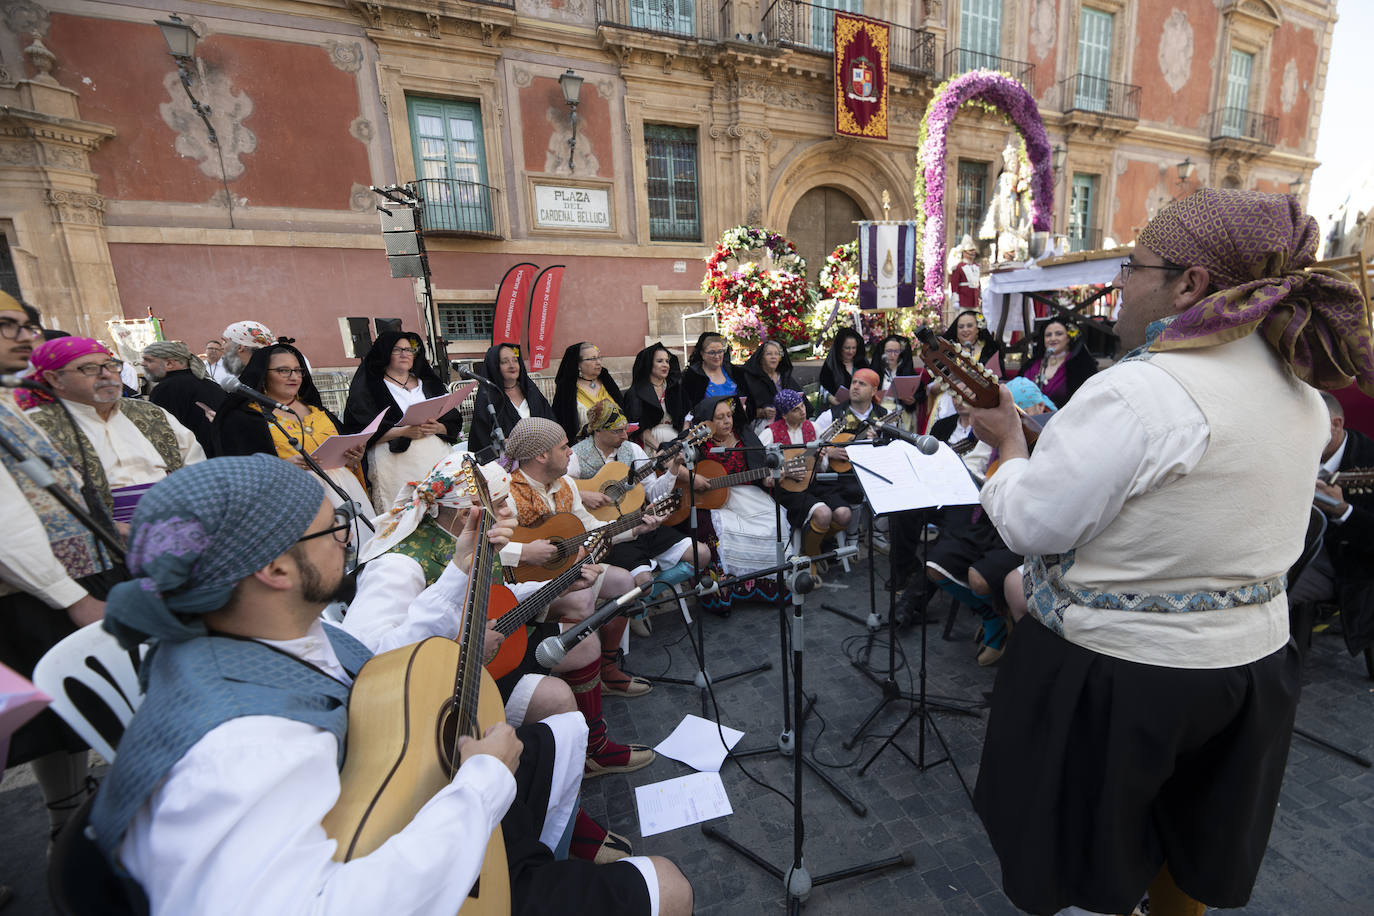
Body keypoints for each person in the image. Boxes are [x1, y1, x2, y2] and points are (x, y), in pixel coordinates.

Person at [969, 189, 1374, 916]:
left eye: (1134, 265)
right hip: (1250, 673)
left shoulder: (1140, 393)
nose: (1119, 282)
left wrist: (1006, 446)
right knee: (1188, 853)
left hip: (1124, 681)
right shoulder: (1302, 396)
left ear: (1188, 284)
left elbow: (1032, 523)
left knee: (1091, 869)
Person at [84, 455, 692, 916]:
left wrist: (461, 569)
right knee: (667, 885)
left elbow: (378, 667)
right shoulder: (238, 748)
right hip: (407, 868)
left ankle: (544, 850)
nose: (348, 540)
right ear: (272, 570)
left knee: (558, 732)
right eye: (330, 533)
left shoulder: (271, 634)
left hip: (398, 805)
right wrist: (481, 783)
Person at [348, 451, 636, 865]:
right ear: (461, 512)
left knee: (580, 644)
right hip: (434, 704)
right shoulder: (397, 567)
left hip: (477, 670)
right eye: (499, 503)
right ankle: (550, 821)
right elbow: (368, 661)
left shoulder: (471, 540)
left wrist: (564, 581)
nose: (508, 509)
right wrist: (461, 646)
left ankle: (576, 777)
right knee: (556, 698)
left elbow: (497, 598)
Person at [0, 296, 121, 890]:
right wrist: (68, 595)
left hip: (73, 575)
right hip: (30, 591)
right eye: (7, 327)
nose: (23, 337)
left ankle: (66, 824)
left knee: (58, 719)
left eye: (26, 326)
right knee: (20, 720)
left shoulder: (6, 402)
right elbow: (5, 519)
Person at [498, 417, 657, 776]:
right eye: (563, 447)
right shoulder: (506, 492)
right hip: (524, 589)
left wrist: (634, 526)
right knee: (583, 603)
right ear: (540, 456)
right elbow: (489, 551)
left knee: (627, 584)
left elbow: (591, 531)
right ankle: (587, 712)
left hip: (569, 572)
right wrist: (524, 554)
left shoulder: (565, 483)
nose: (571, 452)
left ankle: (608, 670)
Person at [23, 337, 205, 516]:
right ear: (55, 379)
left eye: (110, 365)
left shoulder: (150, 413)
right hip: (97, 535)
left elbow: (196, 468)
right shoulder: (33, 427)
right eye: (90, 368)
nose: (106, 374)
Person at [212, 342, 370, 532]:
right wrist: (281, 466)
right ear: (263, 375)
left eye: (297, 370)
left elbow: (345, 451)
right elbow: (237, 471)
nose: (294, 377)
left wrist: (354, 457)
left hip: (344, 491)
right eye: (283, 371)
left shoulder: (319, 411)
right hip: (291, 501)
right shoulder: (246, 418)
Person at [677, 395, 787, 614]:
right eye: (720, 418)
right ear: (707, 421)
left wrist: (770, 478)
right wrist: (691, 478)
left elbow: (762, 471)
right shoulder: (698, 438)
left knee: (775, 522)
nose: (728, 421)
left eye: (729, 415)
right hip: (710, 502)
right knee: (718, 530)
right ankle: (722, 594)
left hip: (747, 496)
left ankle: (766, 587)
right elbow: (666, 458)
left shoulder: (745, 436)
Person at [1289, 391, 1374, 657]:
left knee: (1274, 592)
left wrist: (1344, 511)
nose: (1301, 438)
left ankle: (1276, 671)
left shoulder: (1368, 458)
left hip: (1347, 567)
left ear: (1336, 425)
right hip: (1291, 547)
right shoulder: (1293, 451)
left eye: (1310, 430)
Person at [343, 331, 462, 514]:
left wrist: (441, 427)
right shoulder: (370, 388)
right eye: (397, 350)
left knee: (444, 511)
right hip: (395, 464)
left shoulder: (429, 383)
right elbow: (360, 430)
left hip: (436, 457)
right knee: (404, 514)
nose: (405, 354)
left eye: (409, 349)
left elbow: (451, 418)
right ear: (385, 353)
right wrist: (402, 432)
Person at [757, 388, 852, 559]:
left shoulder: (813, 427)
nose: (803, 411)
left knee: (844, 514)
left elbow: (821, 468)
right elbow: (763, 473)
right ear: (784, 415)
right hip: (788, 492)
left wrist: (820, 458)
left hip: (813, 484)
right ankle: (812, 556)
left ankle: (813, 544)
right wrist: (784, 472)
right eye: (796, 409)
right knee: (823, 514)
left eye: (802, 406)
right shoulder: (769, 434)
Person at [468, 342, 554, 459]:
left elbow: (551, 424)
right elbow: (481, 440)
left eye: (515, 360)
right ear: (494, 366)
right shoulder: (487, 398)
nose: (512, 365)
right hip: (506, 464)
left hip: (541, 459)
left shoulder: (531, 391)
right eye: (504, 362)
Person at [141, 340, 226, 456]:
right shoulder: (210, 384)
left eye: (149, 360)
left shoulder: (165, 389)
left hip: (192, 459)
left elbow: (162, 433)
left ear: (169, 364)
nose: (143, 364)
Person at [552, 342, 624, 443]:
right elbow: (563, 422)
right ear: (578, 364)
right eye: (592, 359)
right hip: (584, 445)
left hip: (617, 443)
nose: (598, 362)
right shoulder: (567, 389)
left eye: (599, 357)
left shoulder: (607, 382)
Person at [1019, 315, 1097, 408]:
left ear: (1068, 337)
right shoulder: (1032, 364)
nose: (1052, 338)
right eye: (1048, 335)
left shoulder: (1080, 365)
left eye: (1058, 334)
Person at [623, 342, 686, 437]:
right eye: (660, 361)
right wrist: (660, 448)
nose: (665, 365)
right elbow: (637, 428)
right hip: (649, 443)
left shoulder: (675, 389)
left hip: (676, 440)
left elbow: (687, 418)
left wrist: (681, 441)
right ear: (649, 364)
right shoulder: (636, 393)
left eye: (667, 361)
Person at [739, 339, 799, 429]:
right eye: (769, 354)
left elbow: (801, 401)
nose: (773, 357)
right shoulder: (750, 379)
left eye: (777, 354)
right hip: (760, 425)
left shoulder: (785, 378)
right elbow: (742, 409)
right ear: (761, 358)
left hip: (789, 422)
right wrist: (761, 412)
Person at [870, 334, 920, 428]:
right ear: (883, 352)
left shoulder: (906, 370)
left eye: (896, 351)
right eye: (889, 351)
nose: (892, 355)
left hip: (901, 412)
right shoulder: (876, 370)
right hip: (879, 412)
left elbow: (920, 392)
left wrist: (913, 399)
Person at [680, 334, 736, 408]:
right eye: (712, 352)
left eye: (720, 351)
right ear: (702, 353)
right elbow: (687, 406)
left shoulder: (733, 371)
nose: (717, 356)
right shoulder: (692, 375)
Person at [817, 327, 868, 405]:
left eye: (854, 348)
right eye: (847, 348)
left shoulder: (862, 363)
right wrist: (829, 397)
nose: (851, 352)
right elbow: (823, 386)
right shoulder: (831, 365)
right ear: (839, 348)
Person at [948, 236, 981, 313]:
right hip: (963, 301)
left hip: (975, 302)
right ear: (964, 252)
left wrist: (980, 296)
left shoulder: (976, 266)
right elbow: (954, 284)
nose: (973, 252)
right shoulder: (958, 267)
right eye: (970, 250)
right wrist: (956, 300)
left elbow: (978, 283)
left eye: (973, 250)